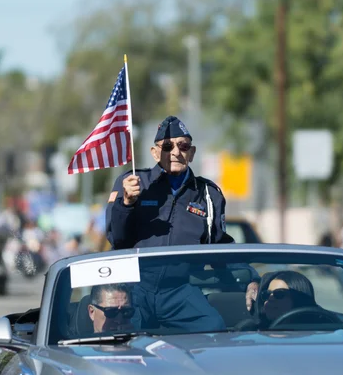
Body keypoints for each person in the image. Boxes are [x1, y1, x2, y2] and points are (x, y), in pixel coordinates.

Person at [106, 115, 260, 331]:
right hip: (135, 289)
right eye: (167, 146)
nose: (176, 152)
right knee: (124, 338)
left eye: (183, 145)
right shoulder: (132, 183)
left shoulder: (208, 194)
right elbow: (116, 238)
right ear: (155, 152)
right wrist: (127, 202)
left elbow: (219, 247)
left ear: (192, 152)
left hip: (179, 291)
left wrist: (249, 277)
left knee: (214, 329)